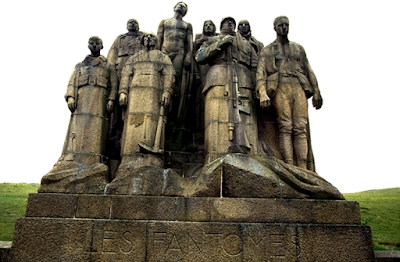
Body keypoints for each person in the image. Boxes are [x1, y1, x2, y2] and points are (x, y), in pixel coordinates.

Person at [40, 36, 118, 192]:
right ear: (88, 45)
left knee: (97, 129)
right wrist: (70, 97)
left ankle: (93, 162)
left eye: (97, 43)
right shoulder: (80, 65)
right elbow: (72, 83)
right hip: (81, 101)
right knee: (77, 131)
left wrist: (111, 99)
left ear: (102, 46)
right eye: (92, 43)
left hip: (98, 100)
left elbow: (114, 84)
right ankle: (73, 160)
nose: (94, 45)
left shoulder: (108, 65)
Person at [256, 16, 323, 170]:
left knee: (300, 127)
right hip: (280, 87)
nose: (284, 28)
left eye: (286, 25)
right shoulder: (267, 50)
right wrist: (263, 93)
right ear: (275, 28)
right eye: (281, 25)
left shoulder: (298, 48)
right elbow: (260, 74)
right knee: (285, 126)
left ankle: (303, 168)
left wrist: (317, 91)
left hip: (298, 85)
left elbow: (309, 70)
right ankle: (290, 166)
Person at [196, 17, 259, 163]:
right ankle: (217, 157)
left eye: (232, 22)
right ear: (221, 25)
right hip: (218, 77)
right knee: (217, 116)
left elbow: (254, 64)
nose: (230, 24)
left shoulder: (245, 43)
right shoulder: (212, 40)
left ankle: (247, 154)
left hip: (243, 80)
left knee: (245, 118)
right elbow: (200, 56)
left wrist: (258, 87)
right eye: (226, 22)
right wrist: (220, 44)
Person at [117, 32, 175, 170]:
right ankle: (129, 156)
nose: (149, 39)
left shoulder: (162, 57)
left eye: (152, 37)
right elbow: (126, 75)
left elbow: (169, 75)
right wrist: (123, 92)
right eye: (146, 37)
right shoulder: (134, 58)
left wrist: (167, 92)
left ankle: (151, 157)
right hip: (135, 93)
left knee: (151, 122)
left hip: (154, 91)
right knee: (132, 124)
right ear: (142, 41)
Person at [106, 19, 144, 178]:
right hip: (121, 72)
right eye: (130, 23)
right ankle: (116, 133)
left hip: (138, 76)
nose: (132, 25)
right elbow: (111, 58)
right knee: (116, 114)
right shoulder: (120, 39)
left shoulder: (143, 38)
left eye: (135, 23)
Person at [157, 2, 193, 150]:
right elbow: (159, 39)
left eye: (184, 6)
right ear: (174, 7)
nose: (181, 7)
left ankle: (172, 102)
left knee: (174, 81)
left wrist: (189, 56)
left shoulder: (187, 25)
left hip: (179, 53)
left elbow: (189, 43)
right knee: (161, 80)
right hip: (165, 52)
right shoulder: (164, 22)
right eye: (180, 5)